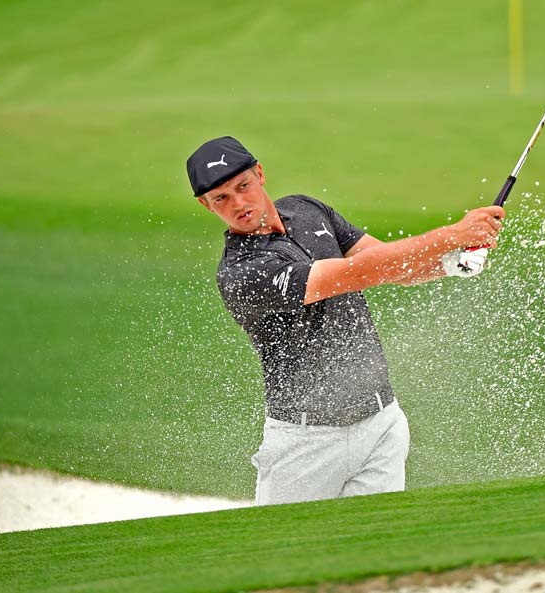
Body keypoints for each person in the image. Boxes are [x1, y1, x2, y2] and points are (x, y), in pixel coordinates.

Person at [185, 136, 503, 505]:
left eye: (243, 186)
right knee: (286, 554)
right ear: (205, 205)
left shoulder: (306, 210)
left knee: (377, 549)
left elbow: (388, 264)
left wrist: (453, 262)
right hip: (305, 443)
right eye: (221, 198)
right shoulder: (242, 273)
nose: (238, 203)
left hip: (381, 424)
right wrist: (452, 234)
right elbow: (355, 272)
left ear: (260, 173)